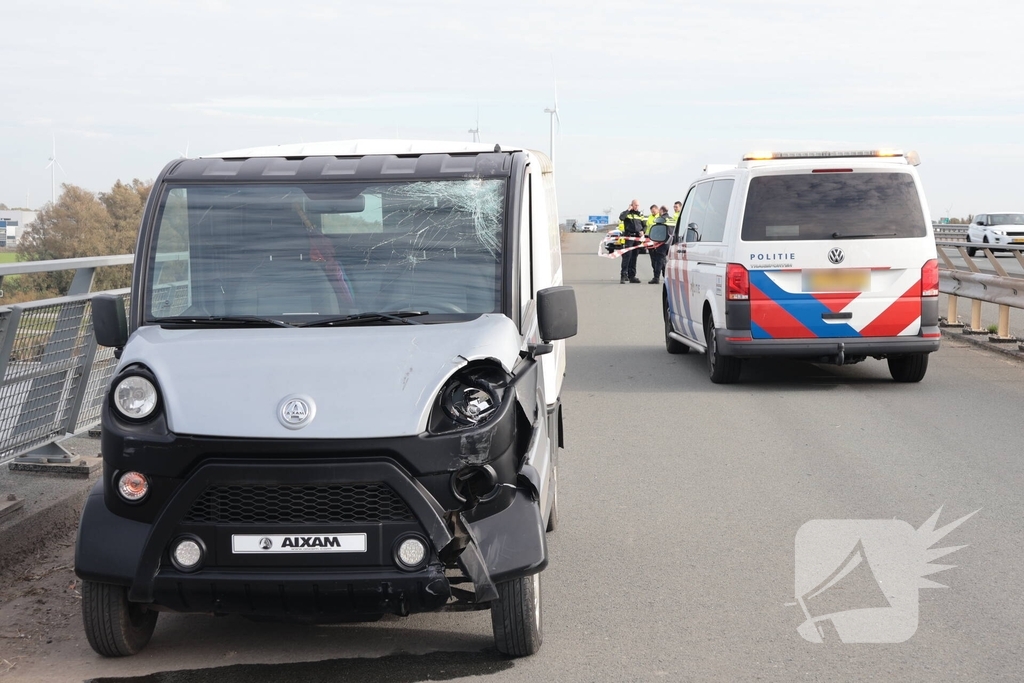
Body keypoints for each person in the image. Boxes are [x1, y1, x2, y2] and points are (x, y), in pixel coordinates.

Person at [618, 199, 645, 283]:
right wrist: (628, 209)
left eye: (638, 205)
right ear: (632, 205)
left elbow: (644, 225)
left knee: (634, 257)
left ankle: (632, 276)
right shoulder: (627, 213)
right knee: (627, 257)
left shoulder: (640, 214)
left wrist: (643, 231)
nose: (637, 207)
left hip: (637, 238)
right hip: (629, 237)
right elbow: (621, 218)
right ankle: (623, 275)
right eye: (635, 205)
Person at [647, 206, 671, 284]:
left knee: (658, 261)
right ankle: (666, 276)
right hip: (670, 242)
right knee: (664, 260)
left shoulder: (661, 220)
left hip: (661, 243)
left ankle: (656, 278)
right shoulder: (672, 219)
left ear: (661, 211)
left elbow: (657, 231)